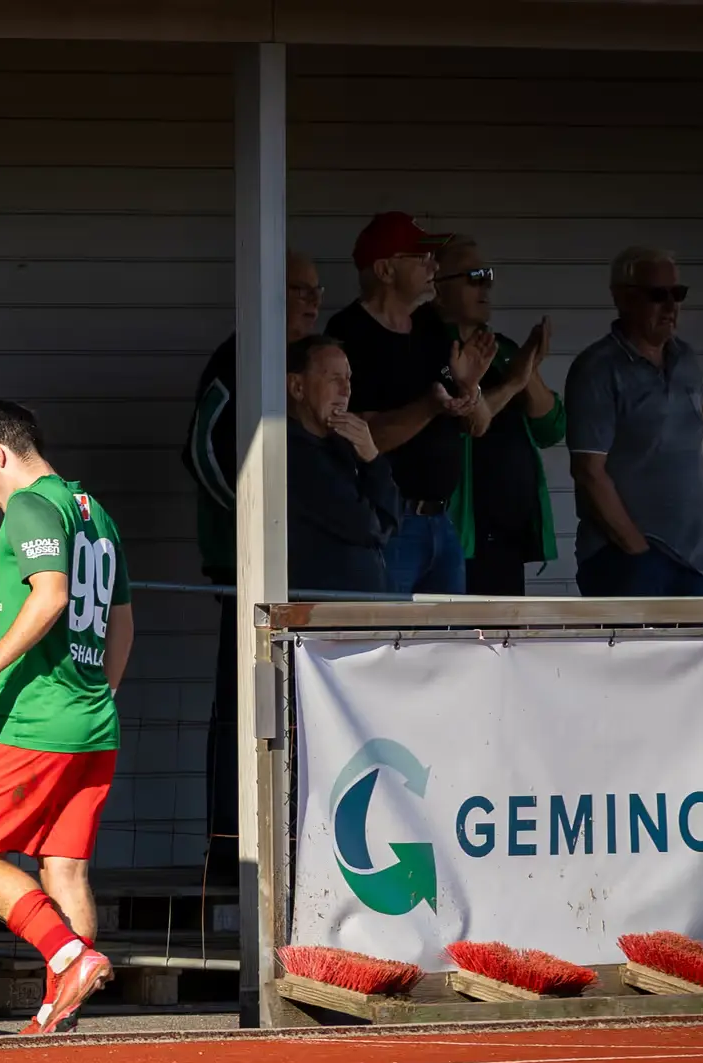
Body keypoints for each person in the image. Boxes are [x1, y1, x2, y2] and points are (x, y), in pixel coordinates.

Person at [0, 402, 132, 1036]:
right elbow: (123, 621)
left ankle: (68, 953)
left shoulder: (31, 504)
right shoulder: (95, 513)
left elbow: (50, 592)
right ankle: (61, 1014)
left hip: (37, 721)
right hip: (92, 723)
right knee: (65, 868)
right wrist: (95, 695)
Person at [181, 250, 320, 889]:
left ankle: (298, 849)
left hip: (306, 565)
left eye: (315, 289)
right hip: (246, 568)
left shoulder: (314, 358)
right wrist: (252, 524)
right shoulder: (239, 355)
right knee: (241, 705)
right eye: (296, 289)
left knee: (295, 707)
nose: (310, 300)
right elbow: (200, 449)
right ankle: (227, 854)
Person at [324, 212, 496, 595]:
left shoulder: (432, 327)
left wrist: (471, 388)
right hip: (388, 522)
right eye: (420, 257)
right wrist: (430, 407)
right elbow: (360, 436)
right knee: (387, 640)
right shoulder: (347, 333)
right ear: (385, 270)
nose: (432, 265)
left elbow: (479, 425)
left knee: (447, 646)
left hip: (443, 520)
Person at [567, 248, 703, 597]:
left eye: (678, 294)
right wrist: (634, 546)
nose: (671, 306)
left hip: (691, 559)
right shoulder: (598, 369)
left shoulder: (685, 357)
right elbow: (588, 471)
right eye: (658, 295)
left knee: (695, 653)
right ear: (623, 298)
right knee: (632, 653)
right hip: (627, 559)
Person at [429, 236, 566, 595]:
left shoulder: (501, 348)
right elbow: (461, 421)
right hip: (460, 529)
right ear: (437, 288)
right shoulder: (427, 346)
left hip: (509, 532)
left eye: (488, 274)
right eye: (473, 276)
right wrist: (512, 383)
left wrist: (528, 368)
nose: (485, 284)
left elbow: (550, 429)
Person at [285, 336, 400, 593]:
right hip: (323, 617)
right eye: (334, 379)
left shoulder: (341, 444)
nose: (346, 391)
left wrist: (372, 457)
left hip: (358, 610)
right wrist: (371, 460)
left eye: (348, 379)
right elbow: (371, 527)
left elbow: (391, 519)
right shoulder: (292, 454)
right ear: (297, 387)